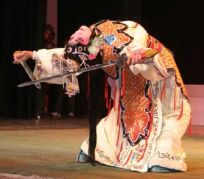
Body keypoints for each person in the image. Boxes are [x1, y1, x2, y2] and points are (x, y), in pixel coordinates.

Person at [13, 20, 191, 173]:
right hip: (128, 84)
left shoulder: (104, 32)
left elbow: (136, 34)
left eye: (75, 37)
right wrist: (33, 54)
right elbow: (69, 60)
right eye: (75, 39)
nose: (75, 34)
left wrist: (138, 52)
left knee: (162, 154)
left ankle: (163, 149)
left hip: (158, 79)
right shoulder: (91, 47)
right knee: (108, 135)